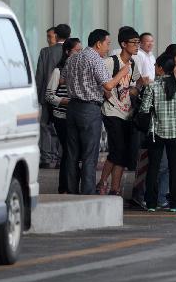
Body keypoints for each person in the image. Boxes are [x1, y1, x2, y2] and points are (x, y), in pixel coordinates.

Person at [62, 29, 130, 195]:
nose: (108, 48)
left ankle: (71, 190)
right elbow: (108, 85)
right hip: (89, 109)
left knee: (71, 154)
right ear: (98, 43)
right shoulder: (96, 59)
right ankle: (87, 192)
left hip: (71, 108)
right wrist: (122, 72)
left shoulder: (73, 58)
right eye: (107, 44)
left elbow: (62, 79)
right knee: (89, 154)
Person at [139, 52, 176, 213]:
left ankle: (150, 203)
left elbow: (144, 109)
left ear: (161, 68)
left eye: (156, 66)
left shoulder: (152, 86)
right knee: (174, 168)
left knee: (153, 168)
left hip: (156, 133)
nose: (155, 68)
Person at [97, 27, 142, 196]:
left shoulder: (133, 64)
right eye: (134, 42)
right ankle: (103, 182)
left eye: (138, 42)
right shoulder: (111, 62)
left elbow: (137, 83)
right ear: (123, 44)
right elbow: (101, 83)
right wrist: (109, 96)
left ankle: (114, 188)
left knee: (121, 153)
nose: (137, 46)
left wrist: (135, 90)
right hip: (111, 112)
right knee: (118, 150)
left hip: (127, 113)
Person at [45, 38, 82, 193]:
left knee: (73, 152)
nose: (80, 54)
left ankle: (70, 186)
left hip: (76, 116)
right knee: (68, 151)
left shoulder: (80, 70)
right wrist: (65, 101)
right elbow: (49, 95)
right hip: (62, 117)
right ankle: (65, 187)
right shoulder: (58, 71)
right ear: (67, 52)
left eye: (81, 50)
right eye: (77, 51)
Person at [35, 23, 71, 168]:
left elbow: (40, 76)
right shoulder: (71, 51)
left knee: (44, 125)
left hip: (47, 95)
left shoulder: (45, 52)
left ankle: (47, 158)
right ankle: (61, 157)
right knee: (62, 125)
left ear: (56, 35)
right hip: (65, 96)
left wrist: (38, 97)